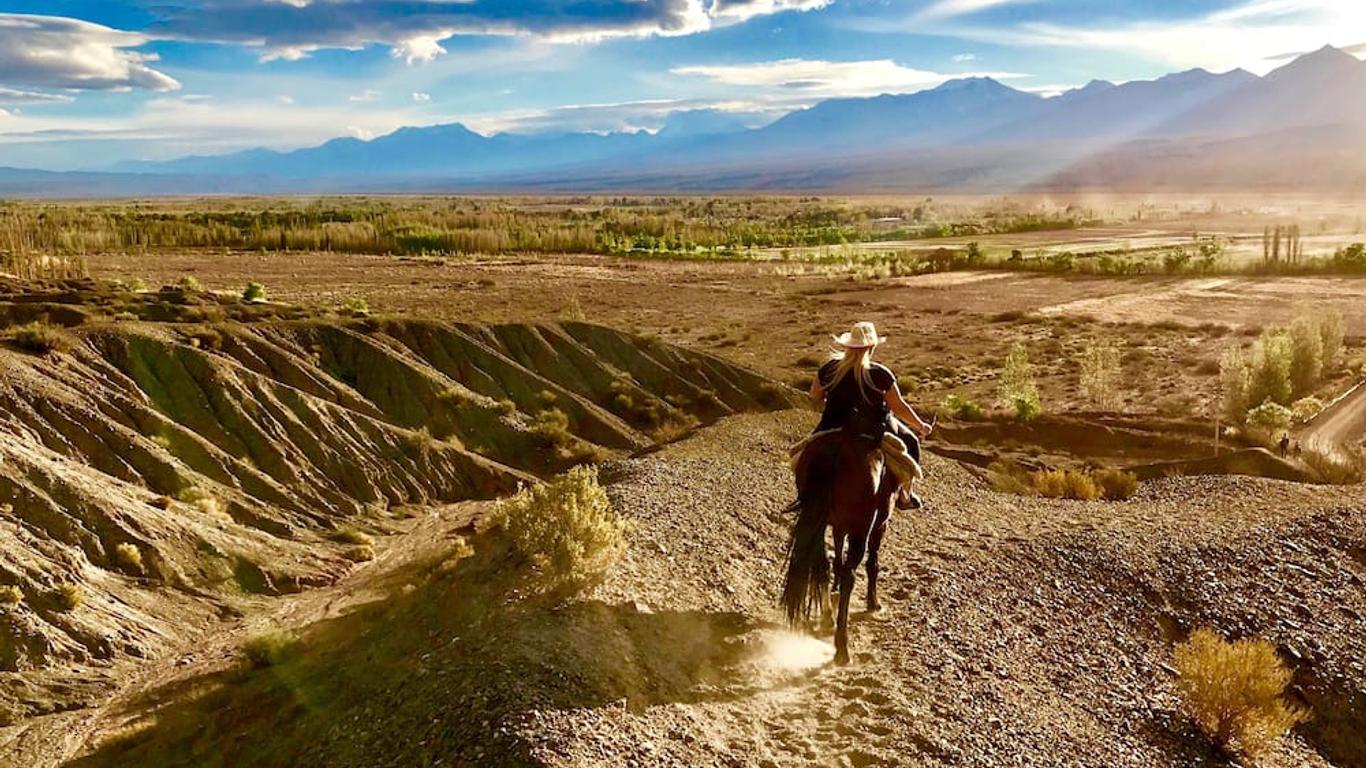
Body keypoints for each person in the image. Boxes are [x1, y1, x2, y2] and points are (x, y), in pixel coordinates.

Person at [798, 321, 932, 510]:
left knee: (804, 455)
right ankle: (905, 495)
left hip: (832, 424)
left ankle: (804, 495)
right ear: (872, 346)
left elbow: (814, 397)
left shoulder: (828, 370)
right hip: (872, 428)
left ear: (847, 346)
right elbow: (898, 406)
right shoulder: (880, 374)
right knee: (911, 442)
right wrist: (920, 425)